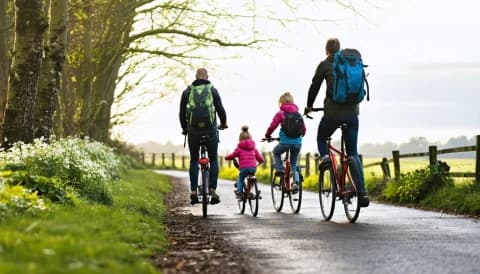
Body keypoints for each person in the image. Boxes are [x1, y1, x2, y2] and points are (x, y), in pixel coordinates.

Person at [304, 38, 369, 207]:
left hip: (332, 113)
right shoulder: (351, 63)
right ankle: (362, 193)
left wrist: (309, 106)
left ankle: (325, 158)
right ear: (339, 50)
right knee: (353, 153)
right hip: (353, 113)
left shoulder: (325, 64)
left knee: (321, 138)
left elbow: (315, 86)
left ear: (326, 50)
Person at [179, 68, 228, 205]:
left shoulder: (187, 91)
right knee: (213, 159)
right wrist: (223, 123)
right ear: (207, 77)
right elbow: (220, 109)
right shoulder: (212, 90)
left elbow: (182, 113)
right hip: (210, 130)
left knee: (194, 160)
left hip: (193, 131)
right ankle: (212, 189)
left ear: (196, 77)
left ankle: (194, 191)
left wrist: (185, 128)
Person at [264, 92, 306, 191]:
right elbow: (303, 129)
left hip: (285, 143)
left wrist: (267, 135)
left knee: (276, 152)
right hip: (297, 143)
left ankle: (280, 170)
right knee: (294, 164)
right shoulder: (298, 114)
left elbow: (273, 126)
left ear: (281, 102)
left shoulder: (281, 113)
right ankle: (295, 183)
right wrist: (301, 136)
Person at [224, 126, 264, 199]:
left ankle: (239, 192)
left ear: (240, 139)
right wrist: (260, 162)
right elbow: (260, 158)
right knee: (252, 178)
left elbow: (232, 155)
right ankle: (249, 191)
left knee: (241, 178)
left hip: (243, 168)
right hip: (253, 168)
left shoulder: (239, 148)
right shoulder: (254, 148)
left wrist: (226, 157)